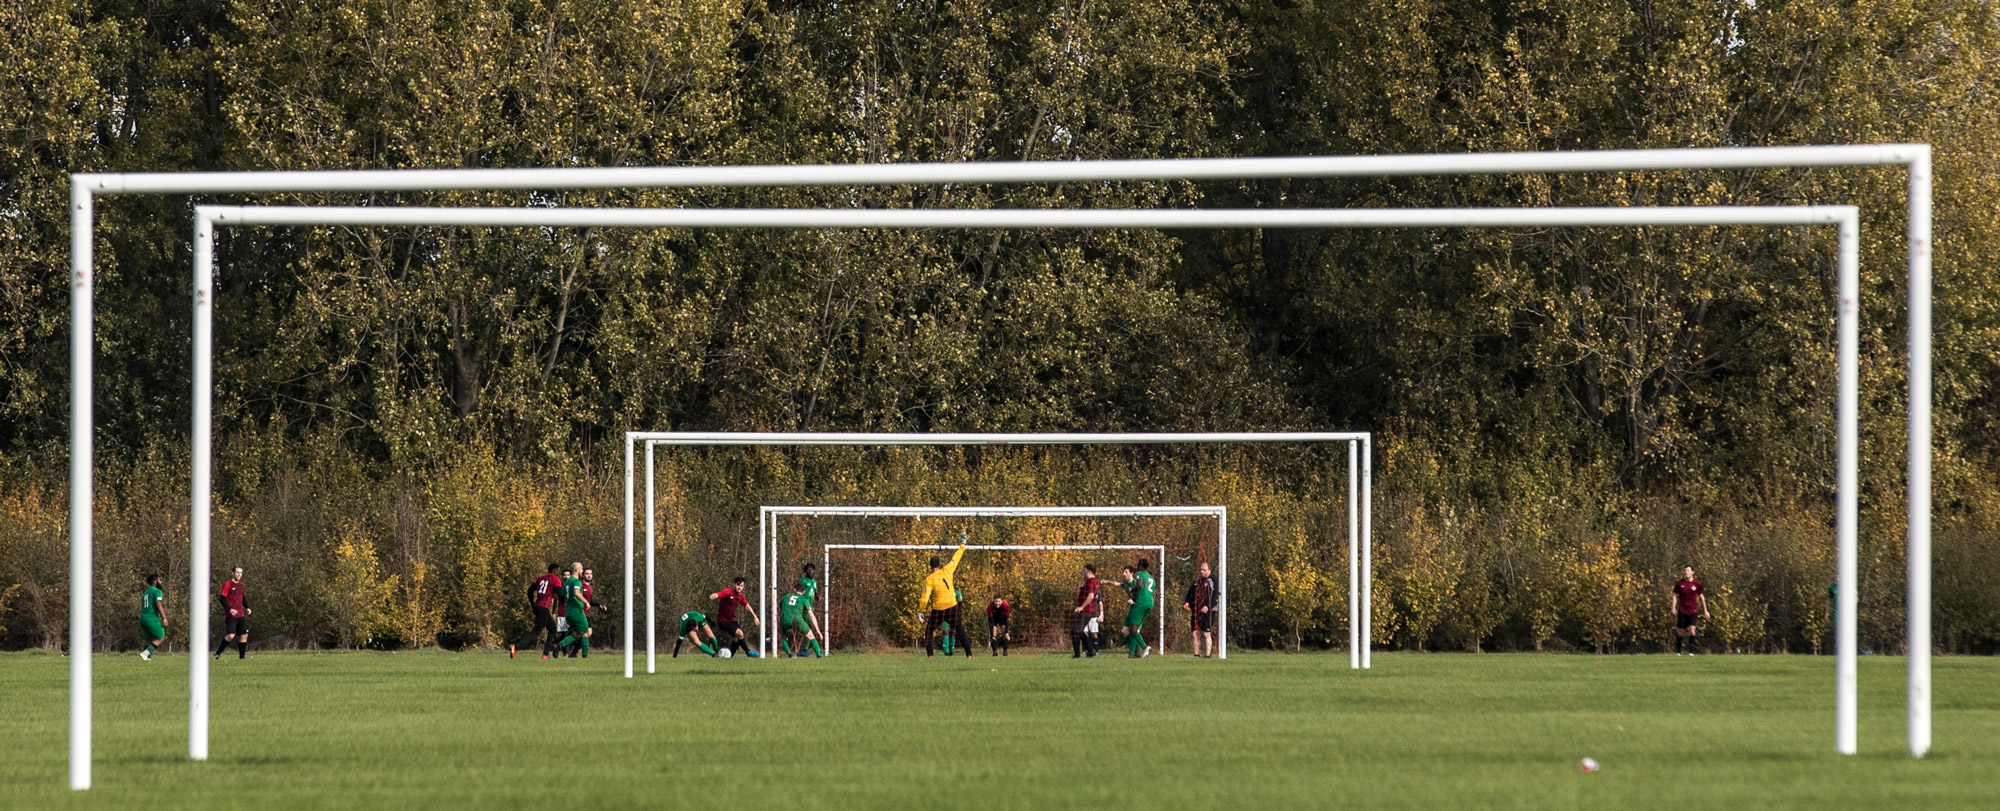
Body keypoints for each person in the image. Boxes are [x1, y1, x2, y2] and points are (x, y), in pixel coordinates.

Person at [917, 537, 970, 658]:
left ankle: (930, 655)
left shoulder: (929, 579)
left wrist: (921, 610)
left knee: (929, 630)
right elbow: (955, 559)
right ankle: (969, 654)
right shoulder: (948, 570)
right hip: (952, 606)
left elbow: (925, 597)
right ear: (940, 564)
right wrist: (962, 545)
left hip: (939, 609)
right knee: (960, 630)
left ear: (930, 566)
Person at [511, 563, 564, 659]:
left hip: (539, 607)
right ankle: (515, 647)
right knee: (536, 632)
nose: (558, 573)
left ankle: (545, 654)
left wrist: (533, 604)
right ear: (555, 571)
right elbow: (560, 595)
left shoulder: (540, 579)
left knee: (552, 629)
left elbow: (529, 591)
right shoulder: (556, 580)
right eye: (558, 571)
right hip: (544, 609)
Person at [709, 576, 761, 657]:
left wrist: (755, 616)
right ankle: (748, 652)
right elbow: (720, 594)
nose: (739, 587)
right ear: (734, 584)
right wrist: (714, 595)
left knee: (737, 638)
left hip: (732, 620)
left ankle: (731, 654)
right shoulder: (728, 592)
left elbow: (746, 605)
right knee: (740, 633)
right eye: (738, 585)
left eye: (741, 586)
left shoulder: (740, 596)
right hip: (722, 621)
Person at [562, 567, 607, 657]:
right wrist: (585, 603)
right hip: (579, 612)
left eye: (590, 574)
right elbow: (577, 594)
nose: (589, 575)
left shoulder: (590, 587)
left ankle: (567, 650)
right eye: (586, 573)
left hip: (583, 612)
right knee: (586, 633)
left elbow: (588, 600)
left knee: (579, 634)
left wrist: (598, 605)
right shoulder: (579, 584)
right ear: (583, 575)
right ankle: (579, 654)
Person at [1118, 559, 1157, 658]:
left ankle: (1145, 647)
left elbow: (1139, 585)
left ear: (1140, 566)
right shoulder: (1151, 577)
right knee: (1132, 630)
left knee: (1133, 630)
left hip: (1141, 603)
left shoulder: (1140, 573)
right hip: (1150, 603)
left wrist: (1132, 590)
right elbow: (1153, 593)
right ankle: (1136, 654)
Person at [554, 561, 593, 658]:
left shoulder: (566, 583)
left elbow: (563, 597)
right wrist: (586, 602)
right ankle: (585, 657)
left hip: (568, 611)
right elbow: (576, 592)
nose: (582, 571)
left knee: (576, 634)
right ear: (576, 570)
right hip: (576, 610)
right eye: (581, 569)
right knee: (585, 632)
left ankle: (558, 647)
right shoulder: (576, 581)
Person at [214, 566, 251, 660]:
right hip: (231, 615)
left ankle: (242, 659)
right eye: (237, 572)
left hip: (241, 615)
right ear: (233, 573)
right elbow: (222, 599)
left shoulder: (242, 585)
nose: (239, 574)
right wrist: (230, 609)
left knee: (244, 636)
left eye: (241, 573)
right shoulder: (228, 584)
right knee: (231, 635)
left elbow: (243, 598)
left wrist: (247, 607)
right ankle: (217, 654)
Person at [1672, 565, 1710, 655]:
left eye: (1688, 571)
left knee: (1692, 629)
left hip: (1693, 610)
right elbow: (1674, 595)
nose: (1686, 572)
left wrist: (1705, 610)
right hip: (1682, 610)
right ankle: (1678, 652)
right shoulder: (1680, 584)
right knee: (1680, 632)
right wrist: (1673, 607)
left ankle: (1691, 652)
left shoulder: (1697, 584)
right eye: (1685, 570)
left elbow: (1702, 597)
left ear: (1692, 572)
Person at [1183, 561, 1217, 658]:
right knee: (1195, 633)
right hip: (1196, 611)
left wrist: (1208, 607)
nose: (1202, 572)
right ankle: (1196, 655)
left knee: (1206, 633)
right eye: (1201, 569)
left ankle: (1207, 655)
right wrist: (1187, 602)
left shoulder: (1213, 581)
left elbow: (1215, 596)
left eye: (1204, 570)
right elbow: (1190, 593)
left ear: (1209, 570)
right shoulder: (1197, 581)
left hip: (1208, 611)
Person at [793, 562, 826, 657]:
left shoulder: (814, 582)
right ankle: (803, 650)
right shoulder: (802, 581)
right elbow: (797, 591)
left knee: (808, 628)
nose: (811, 571)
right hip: (803, 607)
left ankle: (803, 649)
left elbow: (815, 594)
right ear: (805, 571)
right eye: (809, 569)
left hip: (810, 607)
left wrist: (818, 597)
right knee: (809, 628)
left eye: (812, 569)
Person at [778, 581, 818, 658]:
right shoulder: (803, 599)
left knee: (782, 637)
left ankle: (789, 654)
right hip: (797, 619)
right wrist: (818, 630)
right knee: (810, 635)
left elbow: (776, 607)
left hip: (785, 619)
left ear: (794, 589)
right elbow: (811, 614)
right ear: (804, 591)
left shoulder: (786, 596)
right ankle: (819, 656)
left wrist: (777, 614)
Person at [1070, 564, 1101, 659]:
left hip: (1086, 611)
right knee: (1080, 631)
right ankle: (1090, 651)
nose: (1083, 572)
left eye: (1084, 571)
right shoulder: (1095, 582)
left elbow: (1091, 596)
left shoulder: (1091, 582)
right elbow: (1095, 595)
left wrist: (1081, 607)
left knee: (1075, 631)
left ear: (1089, 572)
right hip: (1089, 610)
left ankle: (1077, 655)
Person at [140, 574, 168, 660]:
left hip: (143, 617)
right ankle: (146, 653)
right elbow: (158, 604)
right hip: (151, 617)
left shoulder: (145, 593)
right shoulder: (157, 591)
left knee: (149, 639)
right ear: (155, 580)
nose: (161, 582)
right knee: (160, 638)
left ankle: (146, 659)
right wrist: (164, 618)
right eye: (160, 580)